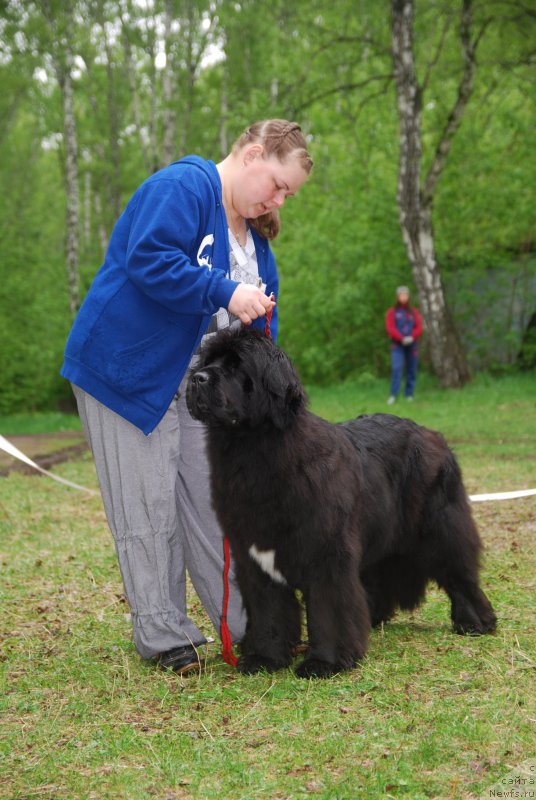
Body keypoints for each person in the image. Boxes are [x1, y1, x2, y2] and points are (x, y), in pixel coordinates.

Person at [61, 120, 313, 675]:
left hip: (201, 382)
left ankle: (252, 625)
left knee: (219, 502)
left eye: (287, 195)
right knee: (146, 507)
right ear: (252, 155)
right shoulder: (184, 186)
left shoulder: (255, 240)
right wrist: (225, 289)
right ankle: (165, 635)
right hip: (126, 372)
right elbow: (148, 259)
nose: (278, 200)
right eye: (276, 184)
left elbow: (258, 328)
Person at [385, 286, 423, 405]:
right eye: (401, 295)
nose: (403, 297)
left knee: (411, 370)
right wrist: (401, 338)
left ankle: (409, 394)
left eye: (405, 295)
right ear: (397, 297)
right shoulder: (392, 312)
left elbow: (419, 327)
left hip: (412, 344)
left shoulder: (413, 312)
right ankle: (393, 395)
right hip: (398, 345)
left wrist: (412, 336)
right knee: (397, 368)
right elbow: (390, 328)